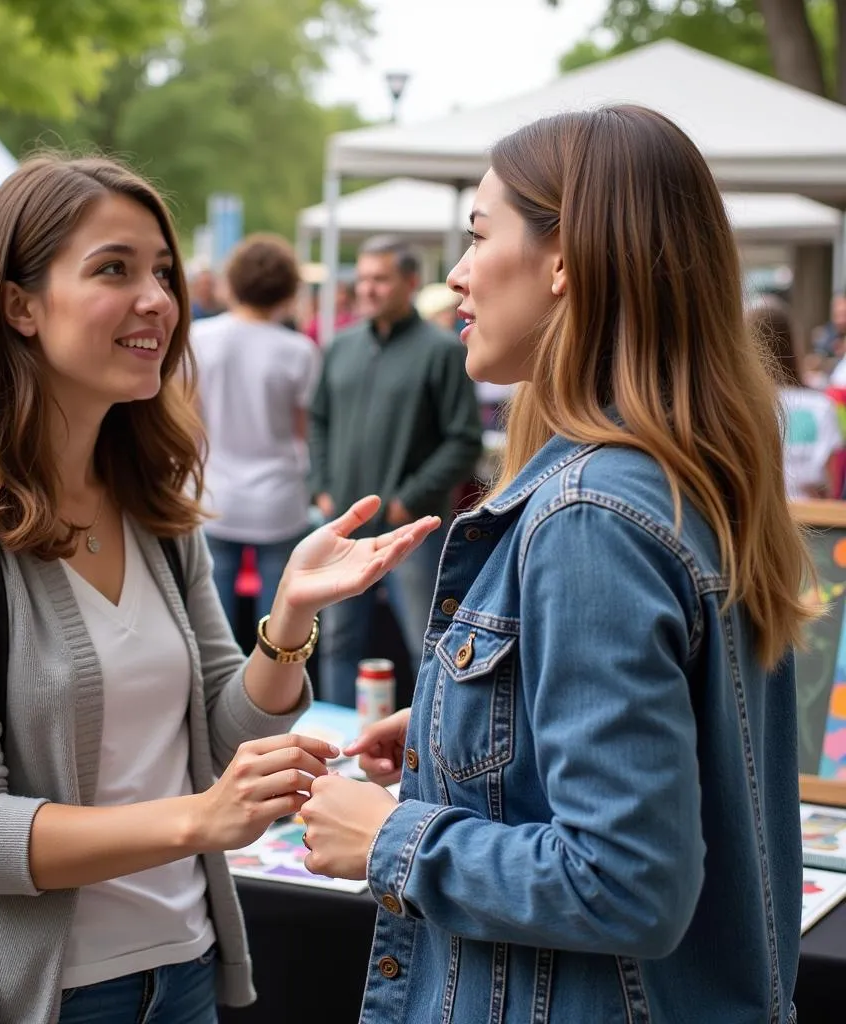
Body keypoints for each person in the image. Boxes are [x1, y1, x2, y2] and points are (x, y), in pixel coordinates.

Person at [0, 153, 440, 1024]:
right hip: (11, 994)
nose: (158, 301)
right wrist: (200, 820)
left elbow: (222, 731)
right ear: (19, 305)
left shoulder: (153, 505)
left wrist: (288, 618)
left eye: (163, 272)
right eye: (113, 270)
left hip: (181, 975)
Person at [299, 106, 809, 1023]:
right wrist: (462, 722)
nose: (455, 275)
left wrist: (391, 837)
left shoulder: (589, 515)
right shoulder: (686, 478)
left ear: (565, 260)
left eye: (479, 234)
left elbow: (626, 880)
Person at [309, 236, 483, 706]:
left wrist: (411, 498)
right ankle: (334, 749)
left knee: (426, 644)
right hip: (347, 526)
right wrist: (321, 486)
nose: (367, 288)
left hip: (413, 532)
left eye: (379, 279)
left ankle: (430, 748)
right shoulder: (340, 347)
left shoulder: (442, 351)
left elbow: (464, 439)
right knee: (339, 642)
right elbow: (318, 421)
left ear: (409, 282)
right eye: (362, 278)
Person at [192, 234, 320, 630]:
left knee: (214, 618)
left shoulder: (199, 338)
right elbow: (303, 429)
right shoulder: (298, 350)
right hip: (278, 496)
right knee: (279, 614)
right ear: (286, 287)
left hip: (214, 490)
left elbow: (188, 416)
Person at [748, 294, 844, 499]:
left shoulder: (739, 406)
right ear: (793, 343)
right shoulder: (821, 406)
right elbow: (830, 486)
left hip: (754, 519)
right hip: (813, 523)